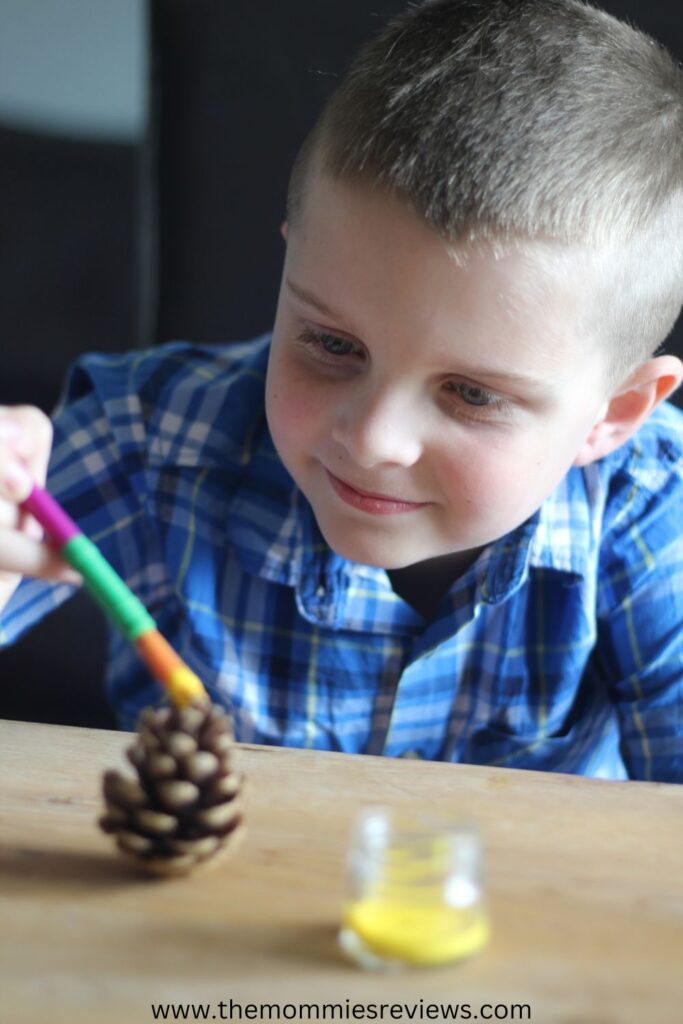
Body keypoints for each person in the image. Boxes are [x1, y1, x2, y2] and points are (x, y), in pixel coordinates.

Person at [1, 0, 682, 781]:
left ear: (617, 413)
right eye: (332, 344)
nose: (371, 439)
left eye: (470, 393)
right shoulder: (146, 436)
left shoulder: (652, 507)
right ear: (290, 266)